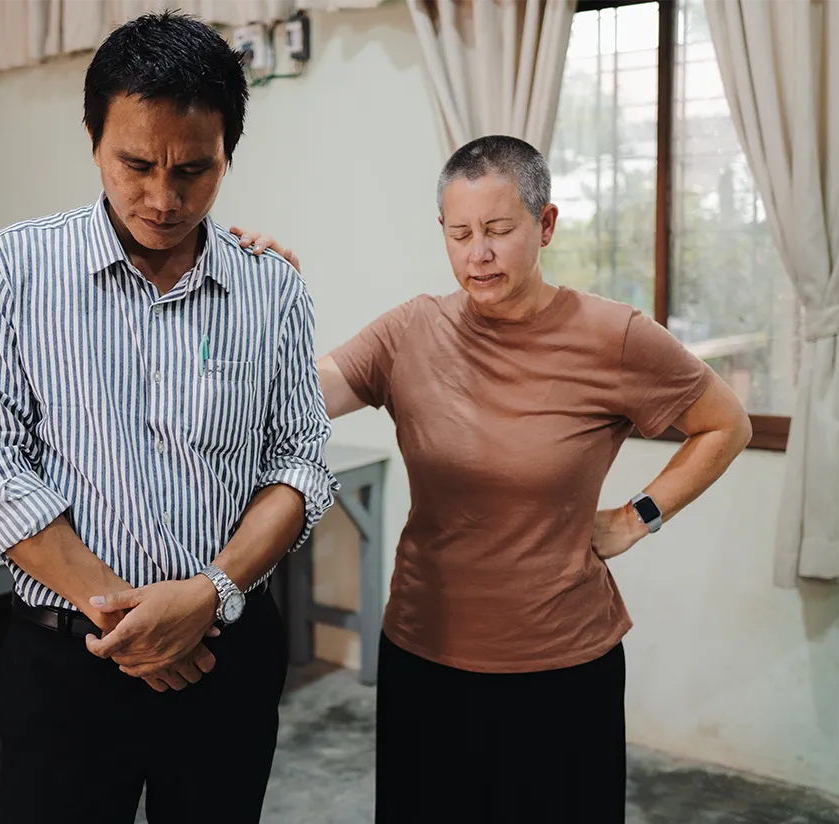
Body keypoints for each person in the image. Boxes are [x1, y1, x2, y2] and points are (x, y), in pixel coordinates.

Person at [231, 134, 751, 823]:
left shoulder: (613, 336)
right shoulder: (411, 330)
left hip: (563, 666)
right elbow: (295, 392)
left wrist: (636, 516)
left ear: (546, 225)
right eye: (460, 233)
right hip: (426, 653)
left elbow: (727, 424)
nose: (478, 253)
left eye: (499, 231)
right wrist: (258, 302)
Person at [0, 13, 337, 824]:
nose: (163, 198)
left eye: (194, 169)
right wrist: (130, 621)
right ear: (93, 140)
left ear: (229, 153)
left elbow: (299, 464)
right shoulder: (14, 271)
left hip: (226, 659)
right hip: (70, 661)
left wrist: (211, 591)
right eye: (136, 164)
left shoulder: (272, 289)